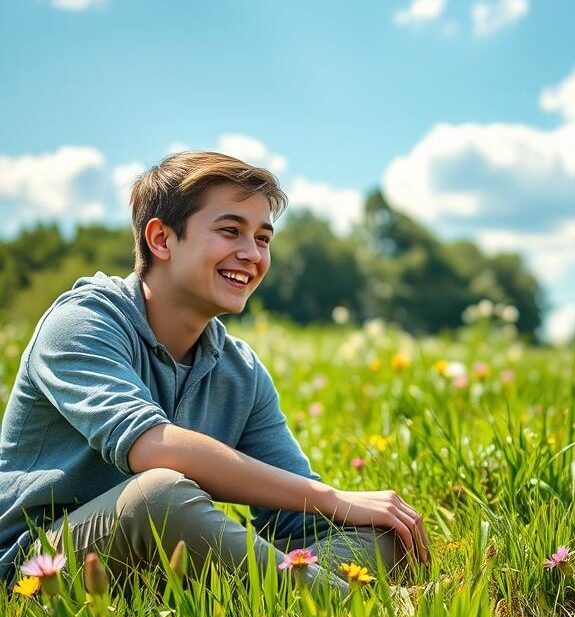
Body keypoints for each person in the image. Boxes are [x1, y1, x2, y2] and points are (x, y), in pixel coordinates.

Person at [0, 151, 429, 590]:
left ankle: (284, 592)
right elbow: (150, 448)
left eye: (263, 239)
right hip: (40, 568)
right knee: (158, 496)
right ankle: (353, 605)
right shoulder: (82, 321)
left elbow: (300, 515)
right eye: (230, 231)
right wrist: (332, 498)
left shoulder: (239, 369)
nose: (252, 254)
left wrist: (340, 511)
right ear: (161, 240)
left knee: (380, 535)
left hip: (169, 558)